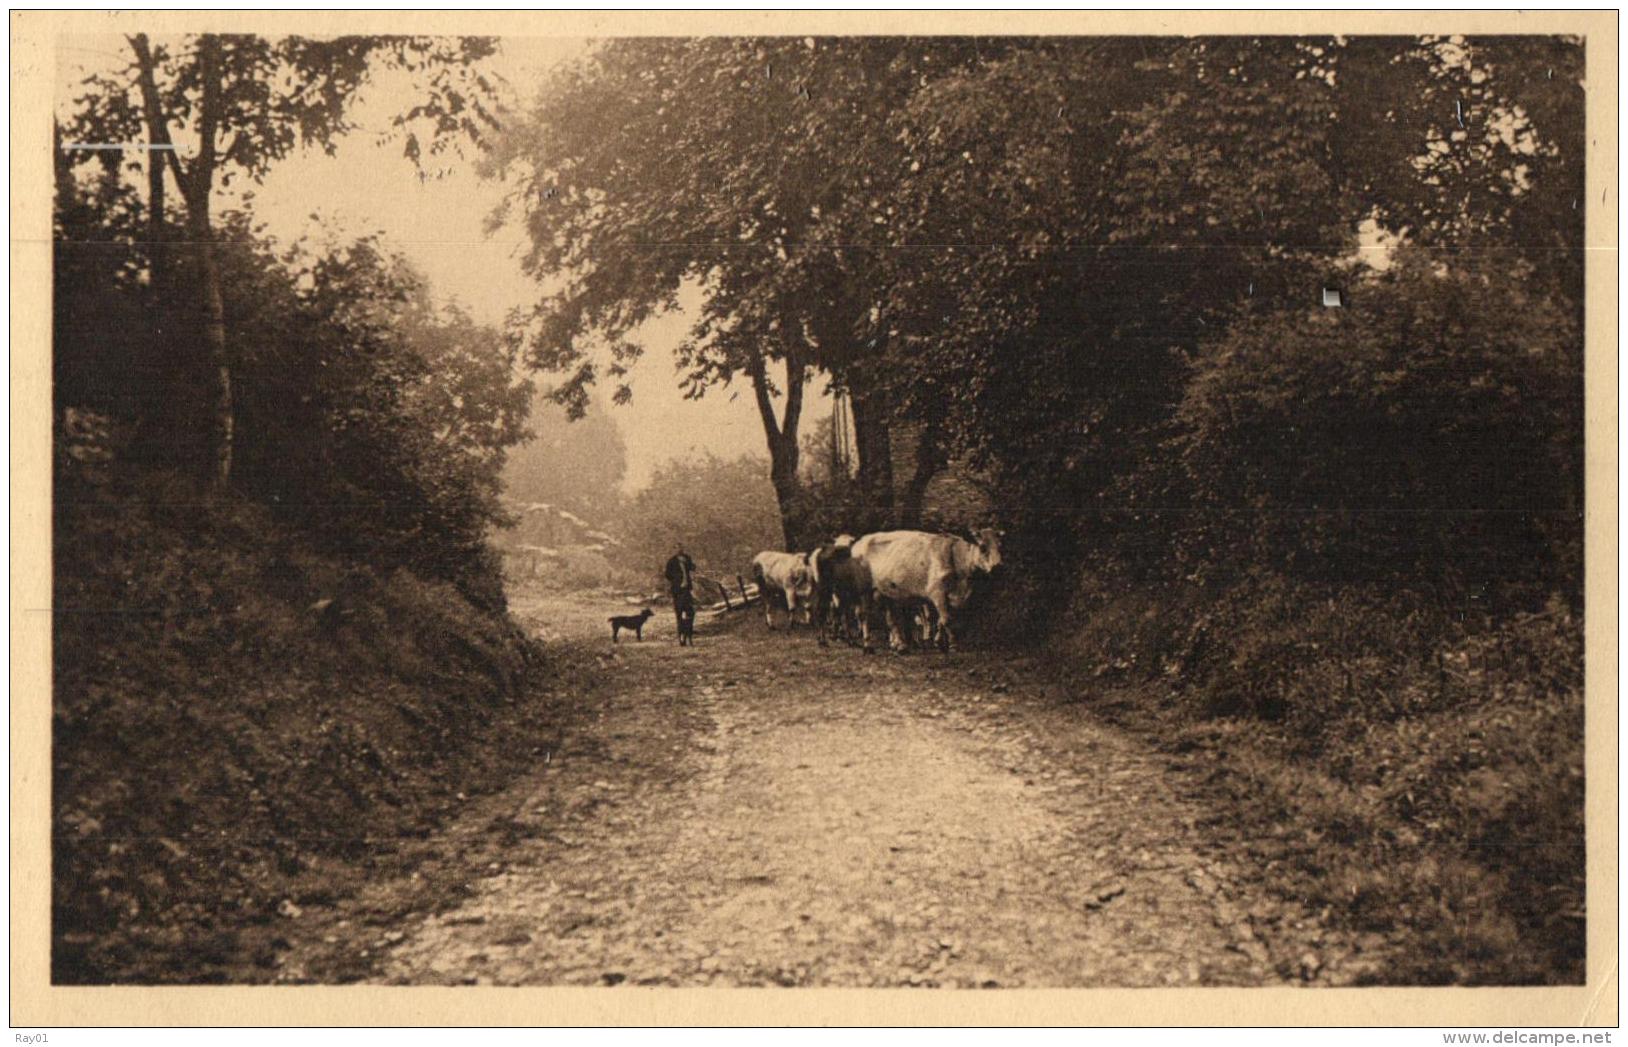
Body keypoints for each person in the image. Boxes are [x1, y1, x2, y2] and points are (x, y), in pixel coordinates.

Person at [663, 545, 697, 646]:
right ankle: (681, 637)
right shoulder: (671, 561)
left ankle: (689, 635)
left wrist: (687, 563)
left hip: (686, 590)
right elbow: (667, 575)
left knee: (690, 613)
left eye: (680, 548)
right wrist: (676, 580)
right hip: (677, 591)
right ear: (674, 550)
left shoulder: (687, 558)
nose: (679, 550)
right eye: (676, 548)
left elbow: (693, 568)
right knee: (679, 614)